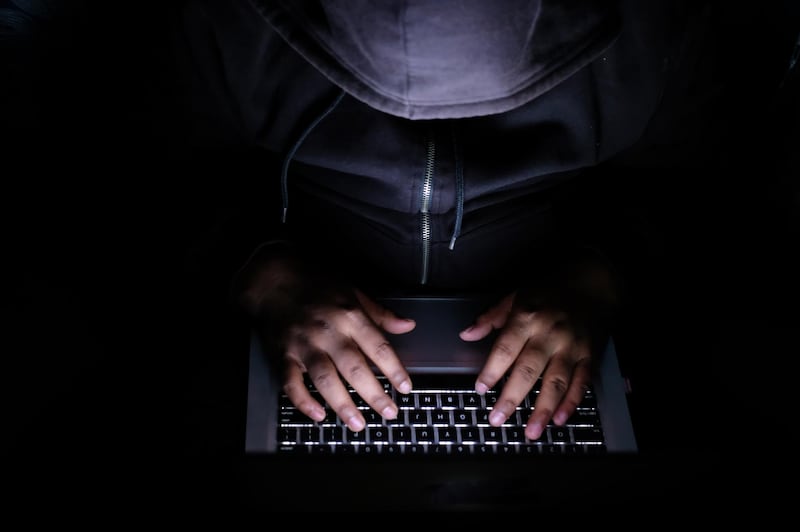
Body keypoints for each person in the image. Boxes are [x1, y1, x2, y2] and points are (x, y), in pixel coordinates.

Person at [166, 0, 728, 441]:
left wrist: (601, 270)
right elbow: (158, 182)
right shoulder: (224, 22)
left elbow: (693, 192)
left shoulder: (659, 27)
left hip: (565, 299)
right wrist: (261, 270)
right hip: (285, 298)